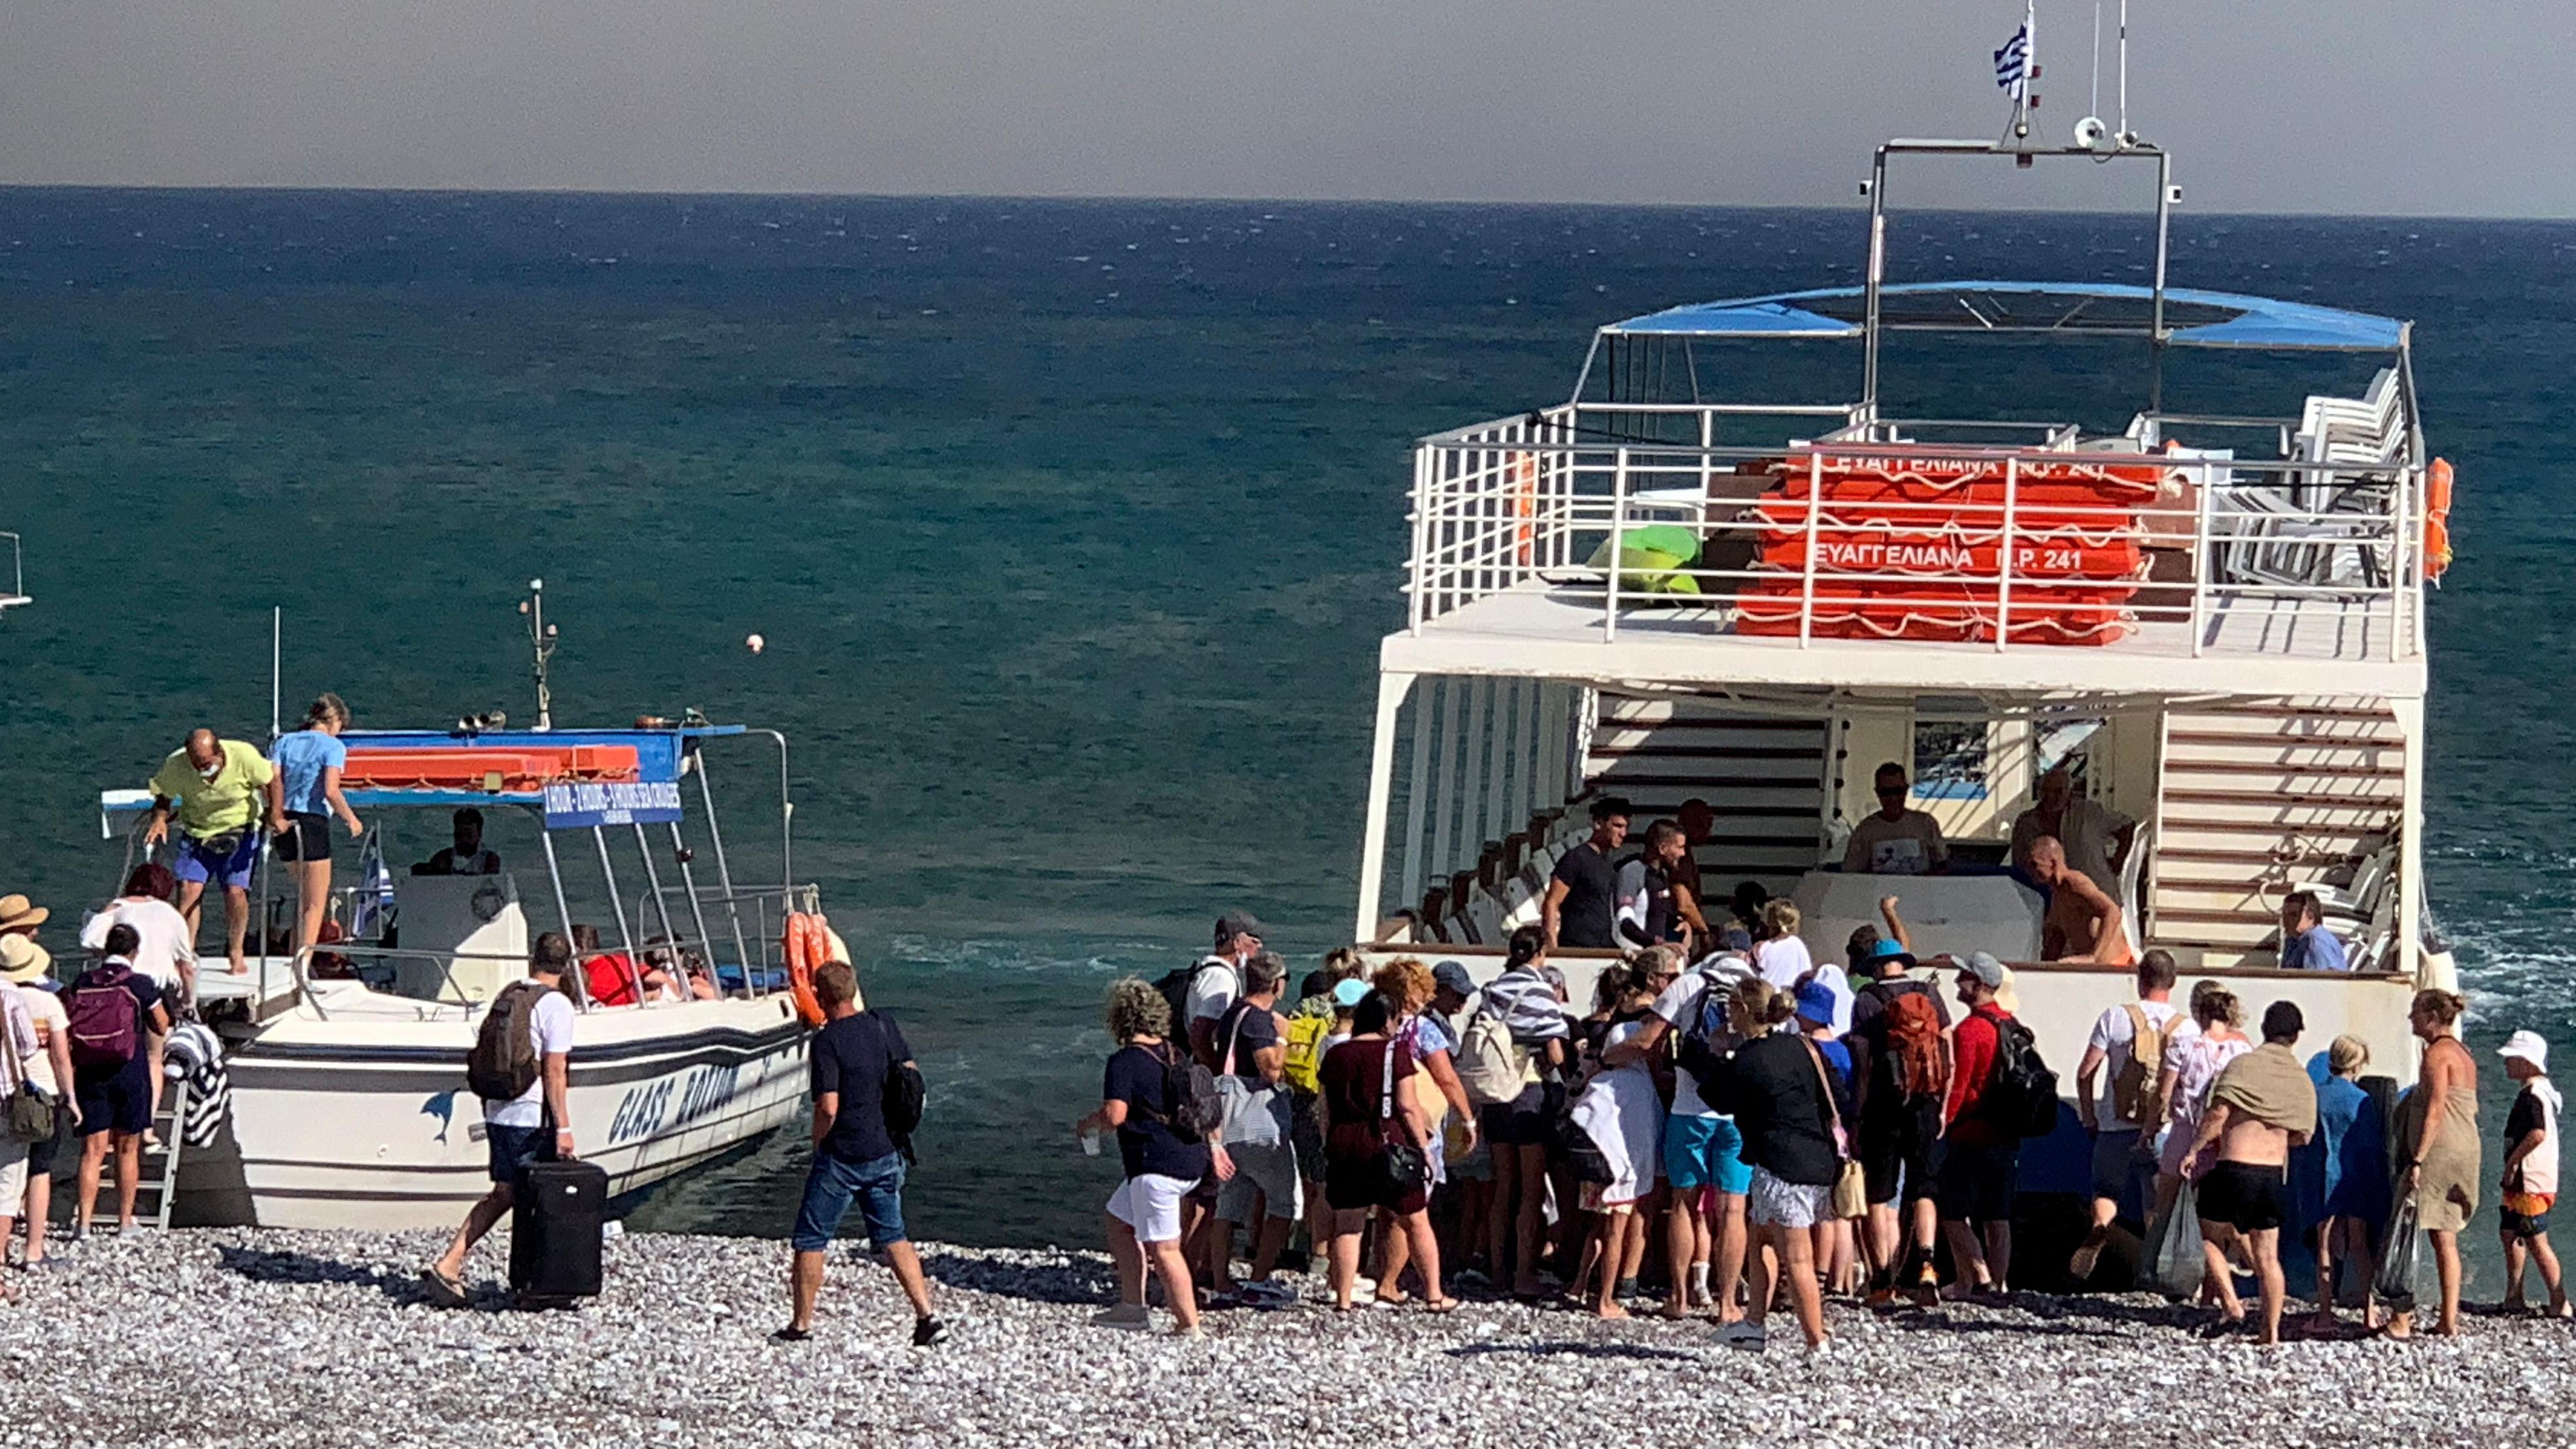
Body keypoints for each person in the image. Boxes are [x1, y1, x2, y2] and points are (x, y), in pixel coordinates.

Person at [779, 960, 944, 1345]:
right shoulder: (882, 1024)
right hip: (886, 1148)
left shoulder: (827, 1042)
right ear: (853, 990)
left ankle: (801, 1324)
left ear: (820, 997)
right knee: (893, 1235)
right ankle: (927, 1315)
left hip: (844, 1155)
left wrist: (818, 1142)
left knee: (811, 1238)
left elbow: (828, 1107)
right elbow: (911, 1073)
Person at [1601, 940, 1753, 1323]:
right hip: (1737, 1114)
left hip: (1690, 1109)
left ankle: (1680, 1297)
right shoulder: (1755, 985)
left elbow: (1649, 1038)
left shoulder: (1690, 984)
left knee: (1684, 1202)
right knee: (1732, 1209)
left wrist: (1604, 1057)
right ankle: (1728, 1304)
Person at [422, 933, 575, 1305]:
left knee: (505, 1193)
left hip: (497, 1109)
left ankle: (453, 1261)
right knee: (533, 1197)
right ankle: (533, 1281)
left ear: (532, 959)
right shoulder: (556, 1005)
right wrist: (565, 1127)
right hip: (531, 1114)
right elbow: (555, 1070)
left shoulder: (510, 994)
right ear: (566, 965)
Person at [1074, 978, 1221, 1335]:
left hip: (1155, 1165)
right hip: (1190, 1156)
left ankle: (1189, 1326)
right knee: (1119, 1219)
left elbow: (1116, 1115)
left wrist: (1087, 1125)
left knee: (1165, 1249)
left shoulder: (1124, 1061)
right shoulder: (1175, 1054)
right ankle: (1131, 1305)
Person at [1712, 978, 1839, 1352]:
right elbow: (1839, 1094)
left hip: (1781, 1165)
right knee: (1759, 1237)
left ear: (1744, 1012)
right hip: (1817, 1157)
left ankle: (1817, 1341)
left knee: (1797, 1256)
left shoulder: (1750, 1058)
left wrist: (1719, 1055)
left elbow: (1718, 1097)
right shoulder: (1804, 1047)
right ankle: (1753, 1323)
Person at [2182, 1001, 2316, 1344]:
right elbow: (2303, 1136)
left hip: (2234, 1167)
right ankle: (2270, 1333)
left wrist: (2195, 1149)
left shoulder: (2242, 1066)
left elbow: (2218, 1114)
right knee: (2268, 1256)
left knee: (2208, 1235)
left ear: (2264, 1029)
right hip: (2272, 1174)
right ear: (2297, 1035)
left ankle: (2231, 1303)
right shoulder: (2300, 1078)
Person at [1318, 991, 1453, 1312]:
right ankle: (1434, 1295)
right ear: (1387, 1020)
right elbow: (1407, 1106)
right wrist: (1425, 1148)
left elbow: (1324, 1108)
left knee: (1348, 1223)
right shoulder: (1395, 1052)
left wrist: (1330, 1141)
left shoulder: (1337, 1054)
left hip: (1344, 1139)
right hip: (1387, 1140)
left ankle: (1344, 1299)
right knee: (1415, 1219)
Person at [1844, 924, 1948, 1306]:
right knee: (1923, 1188)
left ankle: (1882, 1281)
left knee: (1879, 1193)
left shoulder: (1868, 1000)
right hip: (1926, 1102)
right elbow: (1945, 1048)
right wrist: (1942, 1104)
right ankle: (1926, 1265)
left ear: (1877, 966)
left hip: (1882, 1107)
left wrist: (1856, 1117)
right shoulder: (1930, 993)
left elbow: (1863, 1063)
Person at [2069, 949, 2183, 1279]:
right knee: (2155, 1202)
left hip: (2114, 1126)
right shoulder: (2184, 1027)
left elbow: (2086, 1072)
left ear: (2139, 980)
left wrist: (2089, 1116)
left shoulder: (2114, 1017)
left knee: (2106, 1191)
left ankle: (2101, 1226)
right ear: (2172, 982)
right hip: (2162, 1130)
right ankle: (2152, 1268)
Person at [1368, 955, 1474, 1308]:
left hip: (1379, 1120)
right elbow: (1446, 1077)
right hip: (1417, 1124)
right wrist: (1468, 1118)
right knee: (1411, 1209)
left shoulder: (1374, 1024)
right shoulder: (1421, 1030)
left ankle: (1379, 1270)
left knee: (1386, 1210)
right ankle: (1391, 1282)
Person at [1567, 955, 1665, 1318]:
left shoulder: (1609, 1031)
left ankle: (1580, 1285)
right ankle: (1606, 1299)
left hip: (1594, 1140)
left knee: (1599, 1221)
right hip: (1619, 1150)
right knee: (1616, 1224)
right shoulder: (1634, 1074)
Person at [1476, 927, 1570, 1298]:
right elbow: (1556, 1053)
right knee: (1531, 1191)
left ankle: (1498, 1270)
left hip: (1495, 1094)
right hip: (1528, 1091)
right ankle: (1524, 1274)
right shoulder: (1539, 991)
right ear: (1541, 953)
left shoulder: (1494, 989)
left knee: (1503, 1188)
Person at [143, 728, 280, 976]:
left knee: (235, 892)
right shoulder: (177, 764)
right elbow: (164, 796)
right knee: (188, 889)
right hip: (198, 831)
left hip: (240, 829)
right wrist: (160, 820)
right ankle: (186, 952)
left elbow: (271, 779)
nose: (199, 770)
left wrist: (275, 814)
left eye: (205, 764)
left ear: (219, 754)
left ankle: (236, 951)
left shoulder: (244, 755)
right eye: (195, 764)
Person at [1208, 952, 1301, 1306]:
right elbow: (1271, 1071)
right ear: (1277, 984)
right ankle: (1259, 1278)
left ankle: (1221, 1280)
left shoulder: (1232, 1013)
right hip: (1256, 1125)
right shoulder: (1262, 1021)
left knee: (1228, 1204)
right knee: (1284, 1201)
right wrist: (1284, 1038)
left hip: (1226, 1121)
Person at [69, 925, 171, 1236]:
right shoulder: (140, 984)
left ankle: (84, 1224)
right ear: (134, 952)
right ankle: (125, 1221)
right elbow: (162, 1025)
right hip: (129, 1070)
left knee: (92, 1150)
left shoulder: (83, 981)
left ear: (104, 950)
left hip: (90, 1071)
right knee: (128, 1148)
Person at [2388, 988, 2479, 1340]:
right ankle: (2449, 1317)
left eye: (2415, 1012)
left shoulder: (2437, 1055)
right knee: (2446, 1234)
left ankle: (2402, 1318)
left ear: (2431, 1018)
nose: (2410, 1018)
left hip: (2440, 1148)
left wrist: (2417, 1158)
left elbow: (2436, 1107)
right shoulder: (2464, 1054)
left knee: (2407, 1227)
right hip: (2467, 1144)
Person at [81, 863, 197, 1124]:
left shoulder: (120, 908)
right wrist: (188, 1004)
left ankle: (109, 1127)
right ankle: (146, 1125)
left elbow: (90, 940)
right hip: (159, 989)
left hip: (120, 989)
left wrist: (110, 909)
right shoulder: (170, 913)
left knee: (115, 1054)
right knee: (154, 1059)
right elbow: (187, 967)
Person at [1937, 951, 2020, 1299]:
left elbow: (1960, 1082)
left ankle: (1976, 1276)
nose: (1958, 982)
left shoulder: (1970, 1030)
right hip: (2007, 1131)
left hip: (1972, 1132)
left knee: (1954, 1212)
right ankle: (1998, 1284)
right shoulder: (2012, 1025)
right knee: (1997, 1215)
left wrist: (1945, 1120)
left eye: (1964, 977)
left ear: (1981, 985)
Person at [2294, 1034, 2388, 1334]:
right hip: (2355, 1178)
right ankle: (2368, 1312)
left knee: (2323, 1246)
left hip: (2322, 1178)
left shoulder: (2315, 1096)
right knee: (2360, 1245)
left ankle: (2324, 1314)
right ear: (2358, 1064)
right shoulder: (2361, 1100)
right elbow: (2372, 1146)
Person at [266, 693, 365, 959]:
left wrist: (274, 816)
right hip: (312, 822)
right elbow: (331, 791)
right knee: (315, 902)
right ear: (334, 721)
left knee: (302, 896)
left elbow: (273, 780)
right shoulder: (332, 747)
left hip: (283, 820)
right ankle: (303, 965)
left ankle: (292, 960)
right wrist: (351, 819)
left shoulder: (284, 742)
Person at [3, 936, 78, 1268]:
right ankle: (33, 1249)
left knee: (7, 1171)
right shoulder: (48, 1004)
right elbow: (61, 1058)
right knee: (39, 1170)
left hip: (5, 1093)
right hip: (41, 1096)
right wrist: (71, 1097)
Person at [2156, 983, 2254, 1223]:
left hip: (2184, 1133)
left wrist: (2150, 1127)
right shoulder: (2242, 1050)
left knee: (2165, 1210)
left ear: (2201, 1014)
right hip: (2224, 1141)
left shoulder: (2184, 1045)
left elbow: (2163, 1094)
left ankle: (2159, 1257)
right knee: (2220, 1220)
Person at [1793, 977, 1862, 1297]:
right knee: (1837, 1211)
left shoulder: (1804, 1049)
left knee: (1810, 1210)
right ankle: (1835, 1279)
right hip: (1841, 1134)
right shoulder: (1845, 1051)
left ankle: (1811, 1274)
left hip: (1810, 1134)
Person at [2496, 1029, 2567, 1318]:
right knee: (2510, 1232)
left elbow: (2537, 1133)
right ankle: (2514, 1296)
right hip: (2524, 1180)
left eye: (2512, 1059)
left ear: (2527, 1062)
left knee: (2536, 1239)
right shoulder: (2538, 1092)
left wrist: (2513, 1161)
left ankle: (2559, 1301)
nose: (2507, 1064)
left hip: (2530, 1179)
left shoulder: (2533, 1096)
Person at [2008, 765, 2135, 898]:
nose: (2051, 796)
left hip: (2095, 896)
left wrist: (2118, 863)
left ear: (2070, 792)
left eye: (2058, 791)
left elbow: (2127, 825)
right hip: (2048, 899)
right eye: (2046, 790)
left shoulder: (2089, 813)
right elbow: (2018, 866)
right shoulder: (2026, 823)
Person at [1542, 798, 1631, 950]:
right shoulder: (1576, 858)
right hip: (1576, 946)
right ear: (1598, 823)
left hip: (1602, 945)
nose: (1623, 833)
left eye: (1626, 827)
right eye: (1618, 826)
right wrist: (1552, 947)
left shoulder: (1608, 862)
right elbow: (1552, 902)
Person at [2029, 836, 2132, 965]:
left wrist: (2092, 957)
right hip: (2093, 971)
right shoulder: (2057, 894)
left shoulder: (2075, 883)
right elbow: (2056, 939)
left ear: (2053, 863)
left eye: (2035, 864)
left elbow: (2113, 911)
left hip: (2113, 967)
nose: (2031, 871)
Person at [1184, 911, 1264, 1068]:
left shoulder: (1209, 972)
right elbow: (1200, 1035)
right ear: (1236, 943)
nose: (1259, 946)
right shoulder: (1221, 979)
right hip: (1207, 1073)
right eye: (1255, 940)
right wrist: (1217, 1072)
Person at [1616, 820, 1709, 953]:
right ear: (1663, 849)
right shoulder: (1633, 872)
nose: (1683, 854)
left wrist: (1684, 926)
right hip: (1632, 957)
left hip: (1655, 957)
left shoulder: (1662, 875)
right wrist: (1656, 943)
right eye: (1680, 847)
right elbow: (1624, 922)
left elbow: (1659, 914)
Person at [1841, 763, 1947, 876]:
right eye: (1886, 793)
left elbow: (1942, 864)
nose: (1893, 798)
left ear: (1906, 790)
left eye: (1898, 791)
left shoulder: (1926, 823)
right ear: (1877, 793)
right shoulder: (1865, 830)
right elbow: (1852, 873)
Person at [2276, 890, 2350, 973]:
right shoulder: (2293, 940)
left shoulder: (2315, 943)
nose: (2286, 920)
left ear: (2311, 916)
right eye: (2284, 915)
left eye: (2294, 915)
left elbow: (2316, 982)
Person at [415, 807, 502, 875]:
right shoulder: (442, 857)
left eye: (469, 834)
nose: (463, 839)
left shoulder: (490, 860)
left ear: (479, 834)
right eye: (460, 834)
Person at [1749, 898, 1812, 992]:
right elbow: (1807, 975)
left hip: (1765, 998)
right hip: (1790, 999)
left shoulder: (1762, 948)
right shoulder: (1799, 946)